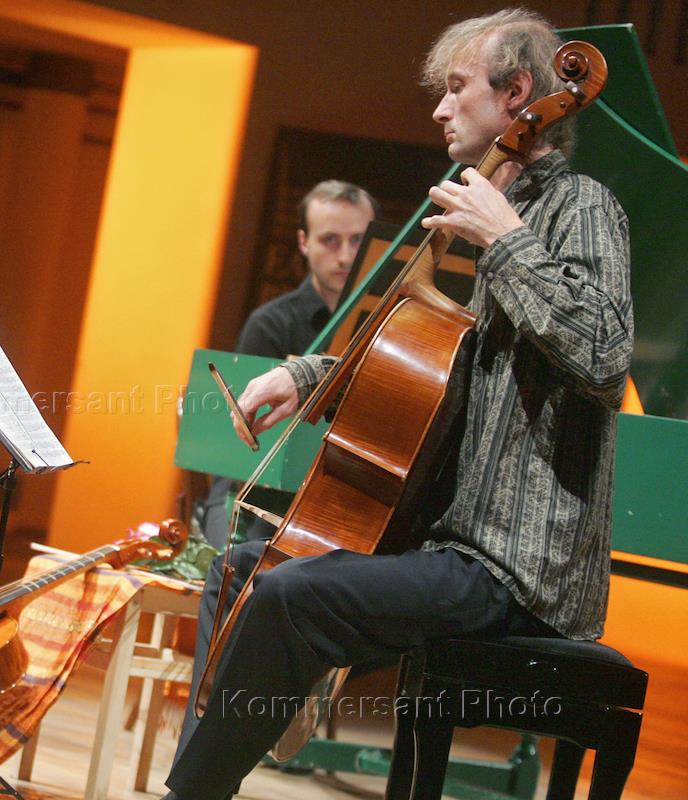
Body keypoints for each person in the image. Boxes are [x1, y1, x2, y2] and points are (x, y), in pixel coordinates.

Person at [165, 9, 633, 799]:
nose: (440, 109)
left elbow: (604, 354)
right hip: (451, 545)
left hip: (518, 568)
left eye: (457, 88)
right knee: (245, 570)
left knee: (292, 593)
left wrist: (506, 240)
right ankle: (204, 779)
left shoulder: (579, 206)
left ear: (518, 93)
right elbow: (440, 360)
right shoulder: (499, 209)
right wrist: (308, 376)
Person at [202, 181, 376, 549]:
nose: (346, 256)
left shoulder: (392, 324)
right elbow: (244, 442)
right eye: (330, 240)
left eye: (358, 240)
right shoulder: (270, 324)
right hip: (258, 486)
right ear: (303, 242)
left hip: (350, 494)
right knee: (243, 558)